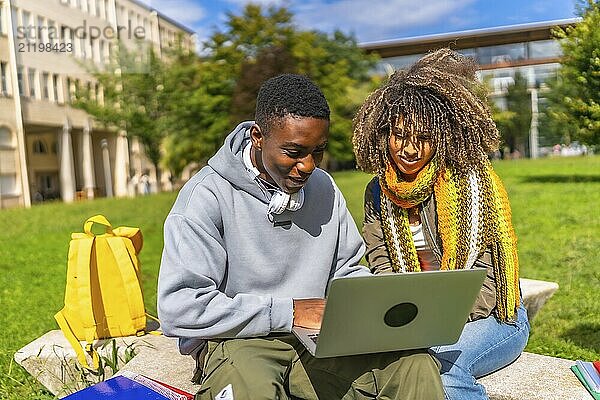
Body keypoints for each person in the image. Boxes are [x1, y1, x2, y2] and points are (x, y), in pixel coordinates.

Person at [158, 74, 444, 400]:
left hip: (320, 340)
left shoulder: (324, 189)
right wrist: (289, 312)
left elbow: (347, 271)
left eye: (317, 151)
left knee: (415, 364)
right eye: (293, 152)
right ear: (258, 137)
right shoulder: (205, 197)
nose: (307, 166)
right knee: (252, 390)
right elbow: (180, 307)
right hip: (238, 340)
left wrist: (372, 310)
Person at [352, 49, 530, 400]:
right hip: (416, 320)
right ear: (383, 133)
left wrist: (434, 320)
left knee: (443, 370)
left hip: (495, 318)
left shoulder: (472, 184)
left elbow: (488, 283)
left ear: (443, 136)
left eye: (423, 138)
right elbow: (382, 265)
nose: (409, 149)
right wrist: (409, 320)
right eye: (400, 135)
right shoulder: (377, 191)